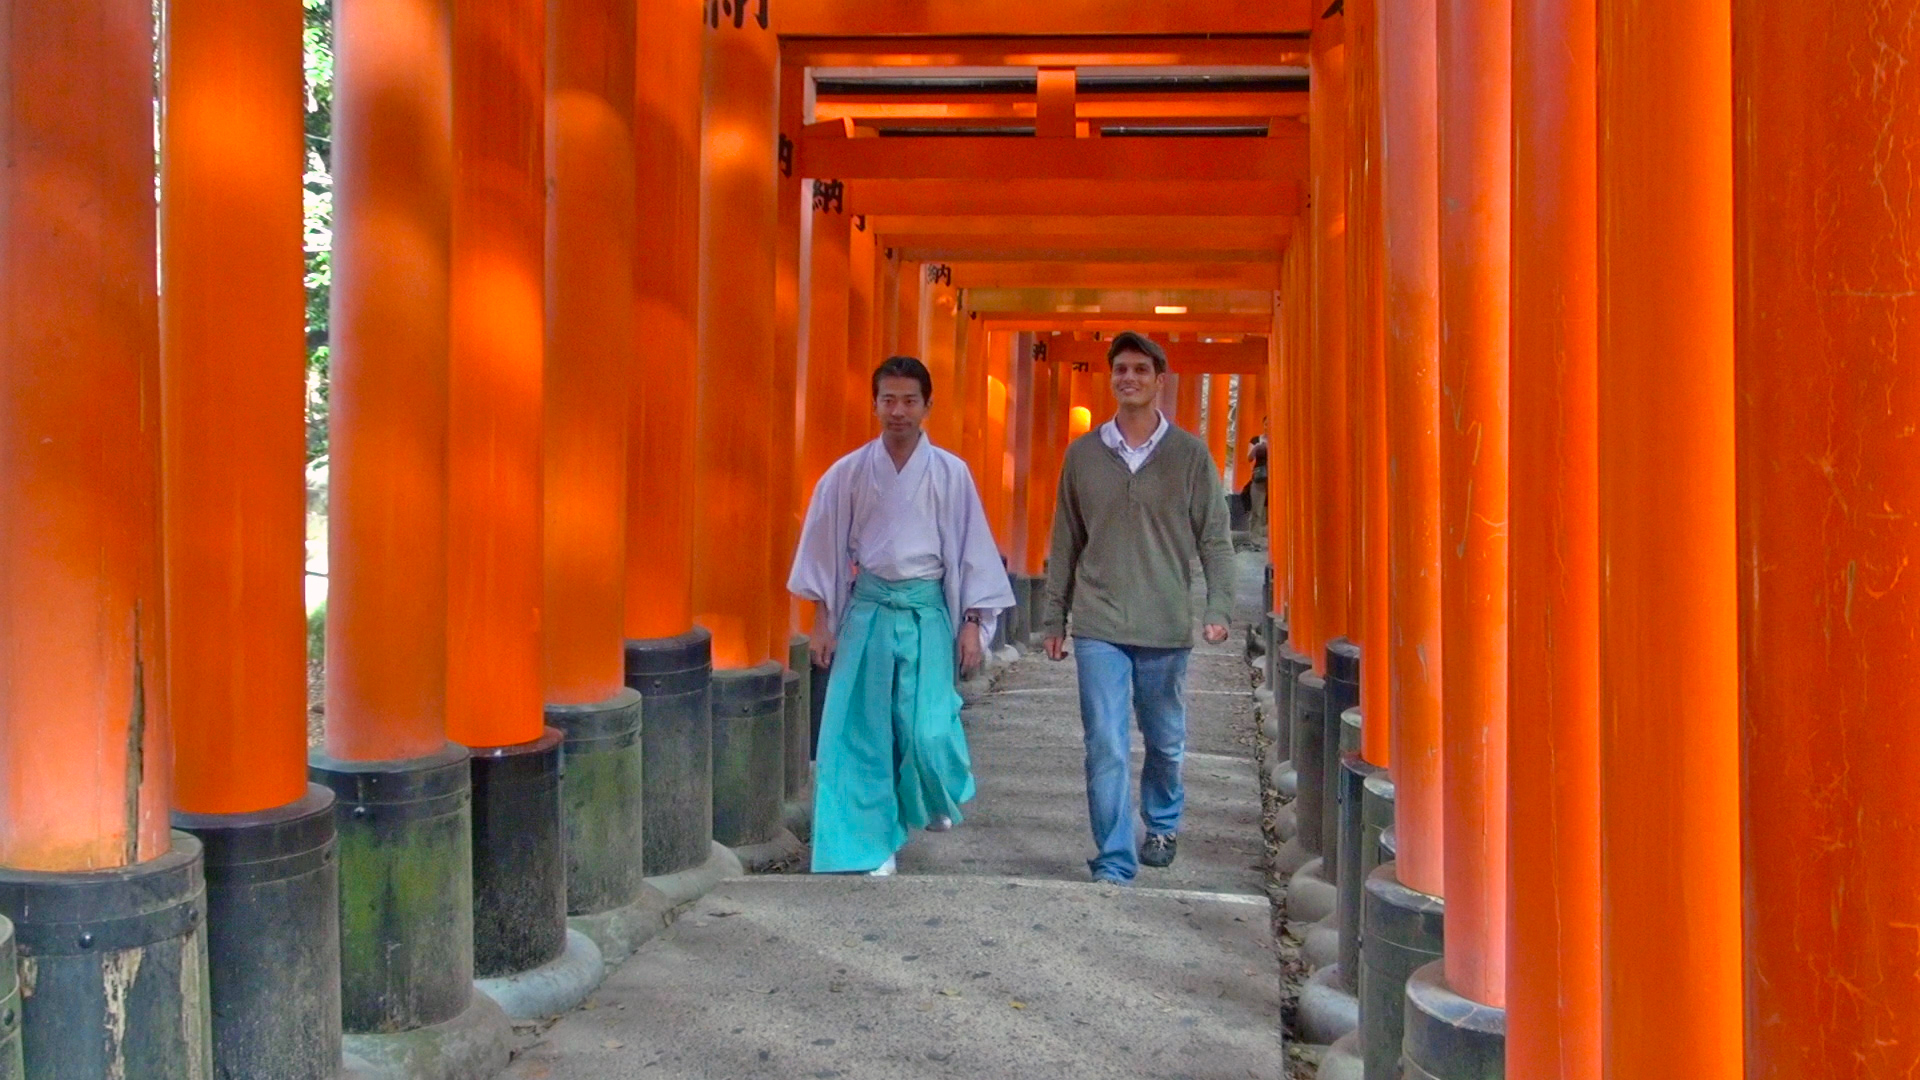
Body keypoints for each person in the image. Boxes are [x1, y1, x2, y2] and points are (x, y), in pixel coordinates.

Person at [789, 356, 1015, 877]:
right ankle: (871, 844)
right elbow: (823, 549)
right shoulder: (847, 473)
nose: (898, 411)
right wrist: (822, 621)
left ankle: (929, 794)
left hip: (926, 612)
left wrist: (973, 624)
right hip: (867, 609)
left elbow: (973, 550)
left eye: (909, 400)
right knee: (861, 732)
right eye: (888, 400)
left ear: (927, 406)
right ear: (874, 404)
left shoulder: (951, 474)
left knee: (928, 732)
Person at [1042, 332, 1237, 884]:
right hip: (1098, 623)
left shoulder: (1190, 455)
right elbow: (1065, 541)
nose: (1129, 378)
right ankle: (1113, 858)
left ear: (1159, 379)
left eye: (1140, 370)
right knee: (1104, 741)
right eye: (1120, 369)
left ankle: (1162, 820)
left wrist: (1218, 605)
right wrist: (1054, 618)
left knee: (1165, 739)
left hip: (1164, 623)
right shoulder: (1082, 455)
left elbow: (1215, 541)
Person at [1244, 435, 1269, 547]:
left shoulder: (1279, 438)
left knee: (1269, 512)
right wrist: (1257, 447)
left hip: (1276, 478)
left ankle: (1269, 538)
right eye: (1266, 424)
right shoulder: (1255, 440)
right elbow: (1249, 458)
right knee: (1257, 511)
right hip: (1260, 477)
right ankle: (1255, 540)